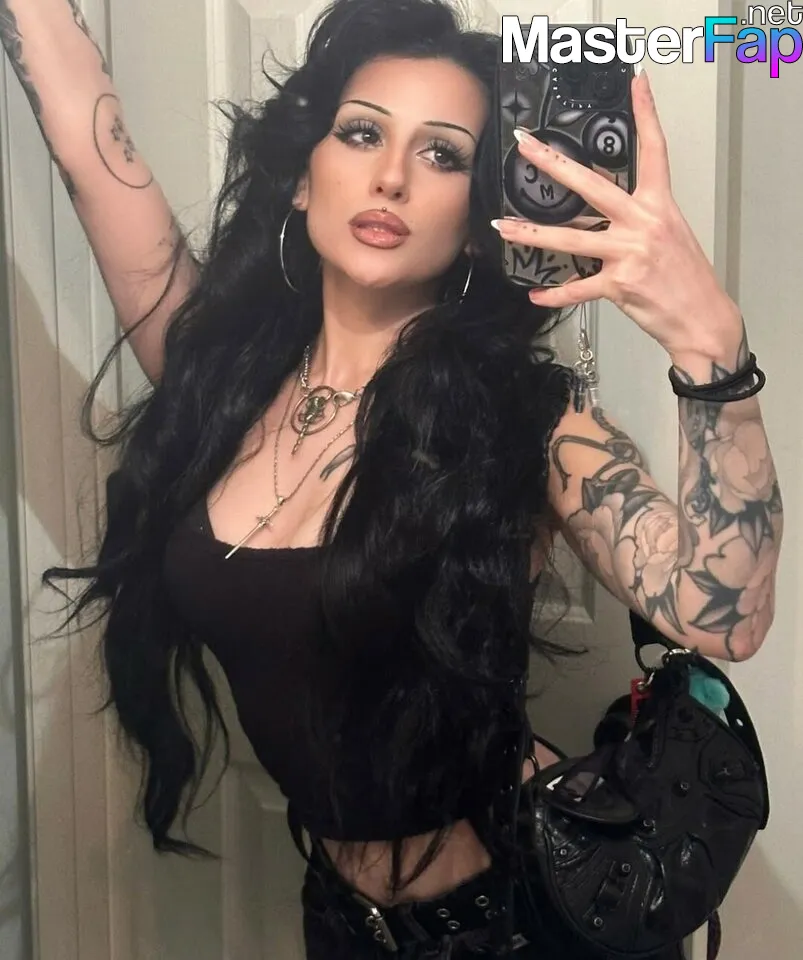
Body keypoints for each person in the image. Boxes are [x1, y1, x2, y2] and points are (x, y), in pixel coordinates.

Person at [3, 0, 782, 956]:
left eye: (443, 154)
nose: (391, 176)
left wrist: (710, 346)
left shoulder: (521, 418)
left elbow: (722, 617)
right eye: (362, 132)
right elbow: (92, 149)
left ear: (478, 222)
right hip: (342, 924)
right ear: (303, 176)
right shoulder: (217, 379)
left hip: (519, 923)